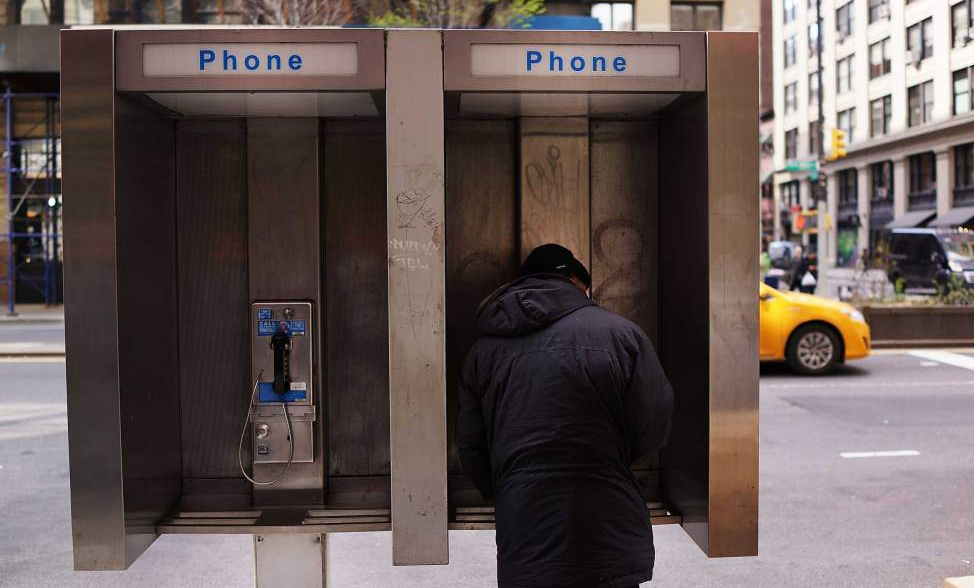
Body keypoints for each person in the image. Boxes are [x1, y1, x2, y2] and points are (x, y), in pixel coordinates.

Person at [456, 243, 675, 588]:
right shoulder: (622, 335)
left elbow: (471, 446)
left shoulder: (482, 351)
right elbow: (653, 423)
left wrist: (510, 486)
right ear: (575, 282)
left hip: (524, 514)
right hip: (607, 506)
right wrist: (612, 461)